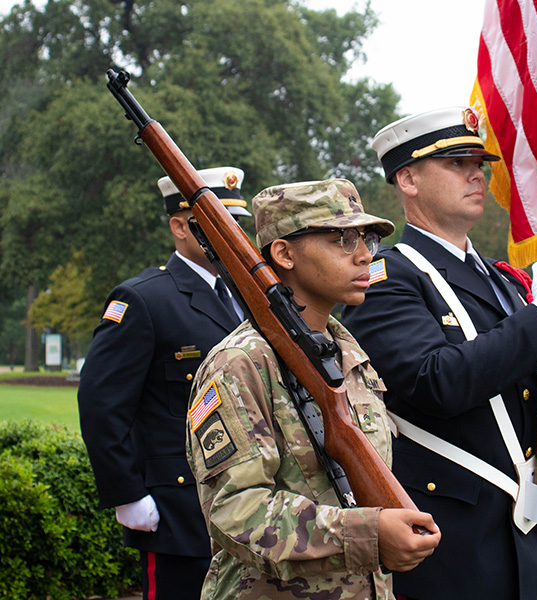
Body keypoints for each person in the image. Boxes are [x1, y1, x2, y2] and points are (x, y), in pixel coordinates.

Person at [341, 106, 537, 600]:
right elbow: (437, 381)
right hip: (449, 540)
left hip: (519, 532)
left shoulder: (503, 281)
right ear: (408, 178)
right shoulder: (386, 277)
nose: (475, 174)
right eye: (456, 162)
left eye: (478, 163)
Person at [185, 178, 441, 599]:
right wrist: (366, 534)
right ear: (284, 253)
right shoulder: (240, 363)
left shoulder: (349, 356)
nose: (364, 256)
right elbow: (235, 511)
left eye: (367, 239)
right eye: (342, 239)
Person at [78, 167, 251, 600]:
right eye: (214, 221)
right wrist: (127, 496)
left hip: (247, 501)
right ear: (179, 226)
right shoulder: (143, 299)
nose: (229, 232)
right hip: (178, 510)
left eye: (234, 221)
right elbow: (102, 404)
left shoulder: (245, 296)